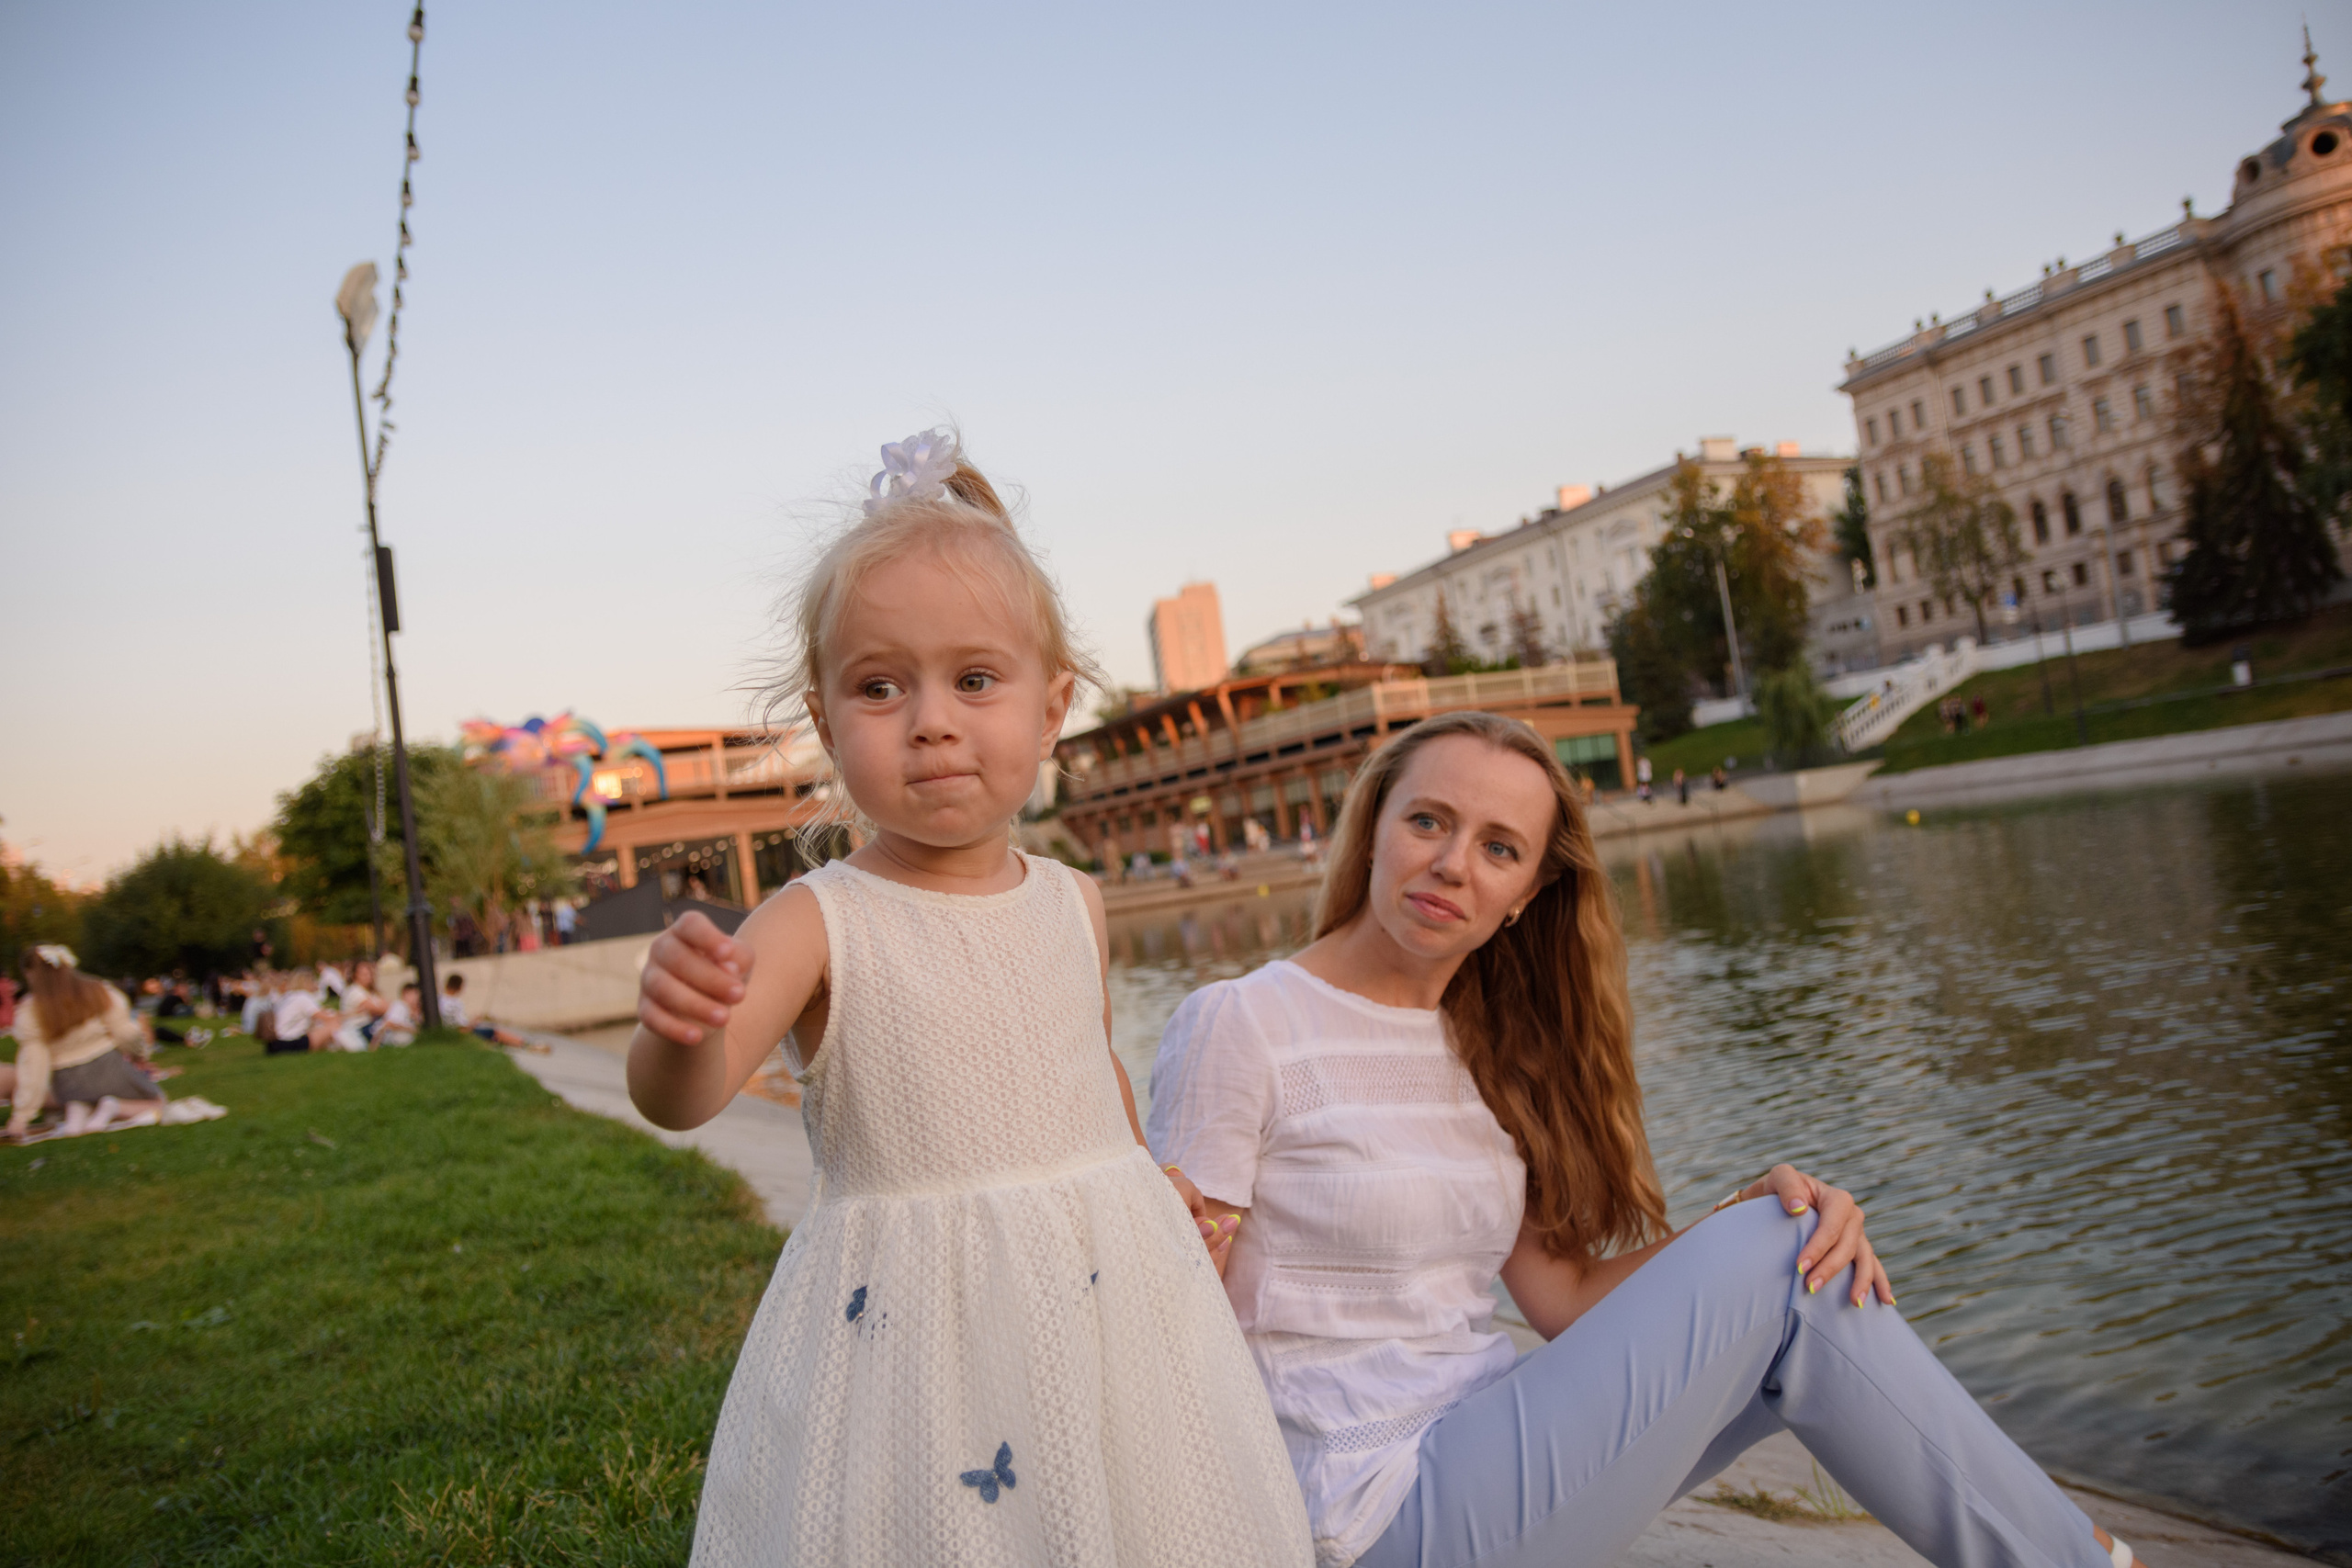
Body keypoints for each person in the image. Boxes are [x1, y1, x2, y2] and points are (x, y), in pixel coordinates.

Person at [1148, 711, 2145, 1568]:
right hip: (1358, 1512)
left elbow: (1566, 1299)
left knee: (1799, 1243)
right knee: (1777, 1251)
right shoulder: (1244, 1023)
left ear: (1524, 898)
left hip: (1489, 1452)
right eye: (1428, 821)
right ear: (1375, 832)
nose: (1453, 863)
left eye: (1498, 848)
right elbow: (1172, 1319)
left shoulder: (1487, 1056)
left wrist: (1748, 1217)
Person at [627, 431, 1311, 1566]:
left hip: (1106, 1295)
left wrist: (1151, 1180)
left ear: (1052, 708)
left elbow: (1089, 1069)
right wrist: (676, 1029)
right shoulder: (816, 920)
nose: (931, 720)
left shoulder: (1075, 902)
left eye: (974, 680)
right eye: (880, 686)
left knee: (1135, 1515)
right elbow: (684, 1099)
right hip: (913, 1332)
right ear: (827, 716)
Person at [5, 946, 168, 1141]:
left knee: (79, 1097)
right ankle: (114, 1107)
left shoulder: (30, 1010)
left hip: (66, 1080)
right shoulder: (98, 990)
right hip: (108, 1067)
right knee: (159, 1103)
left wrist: (21, 1116)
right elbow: (127, 1034)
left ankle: (78, 1108)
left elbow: (34, 1065)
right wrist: (139, 1055)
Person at [267, 971, 321, 1055]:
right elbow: (322, 1017)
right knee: (332, 1025)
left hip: (273, 1043)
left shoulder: (287, 996)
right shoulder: (303, 996)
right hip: (287, 1042)